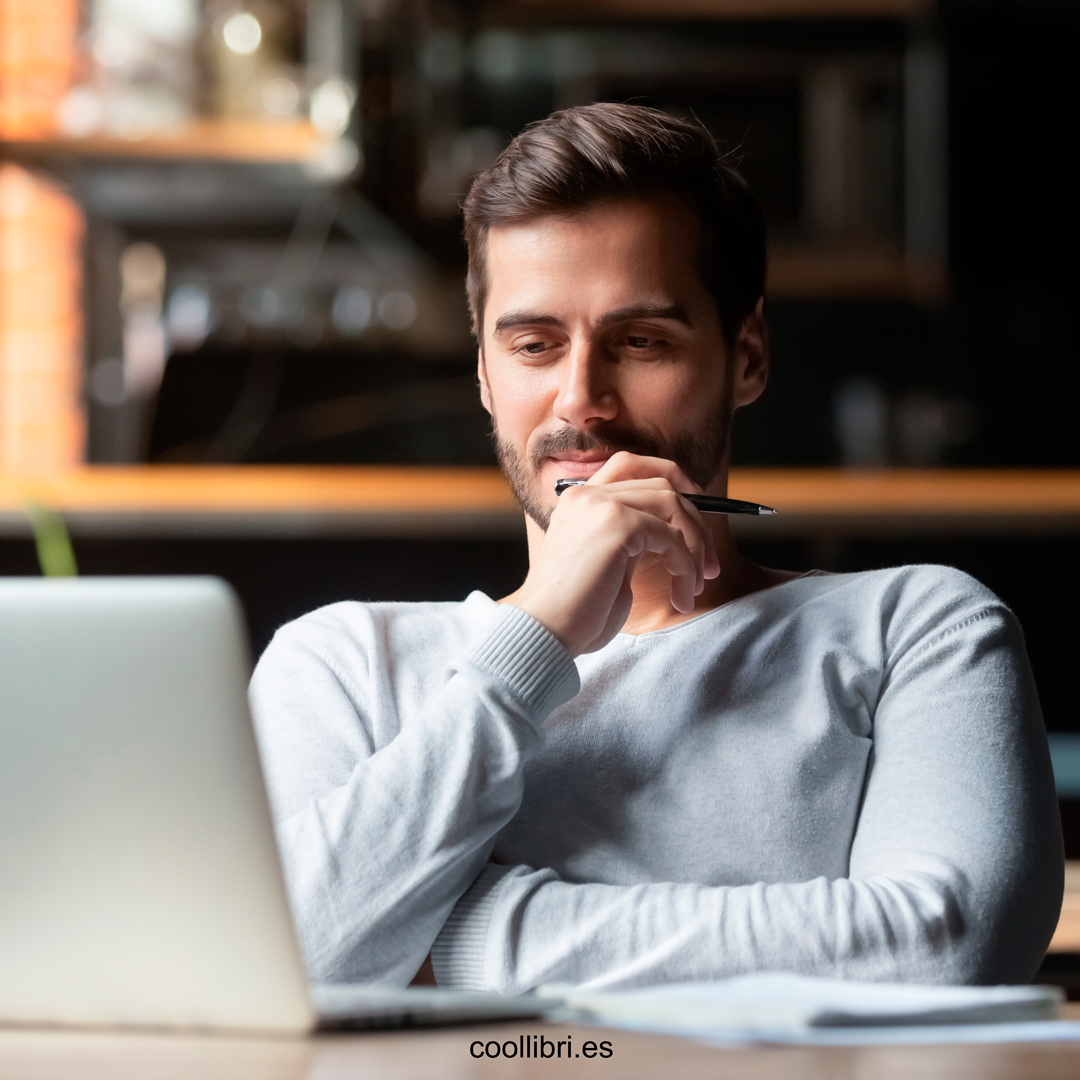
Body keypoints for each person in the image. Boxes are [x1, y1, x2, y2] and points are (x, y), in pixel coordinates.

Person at [249, 103, 1063, 993]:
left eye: (640, 342)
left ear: (747, 356)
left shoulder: (920, 629)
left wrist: (452, 937)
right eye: (533, 344)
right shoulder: (340, 663)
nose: (579, 401)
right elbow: (280, 965)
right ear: (483, 372)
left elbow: (946, 949)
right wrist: (536, 638)